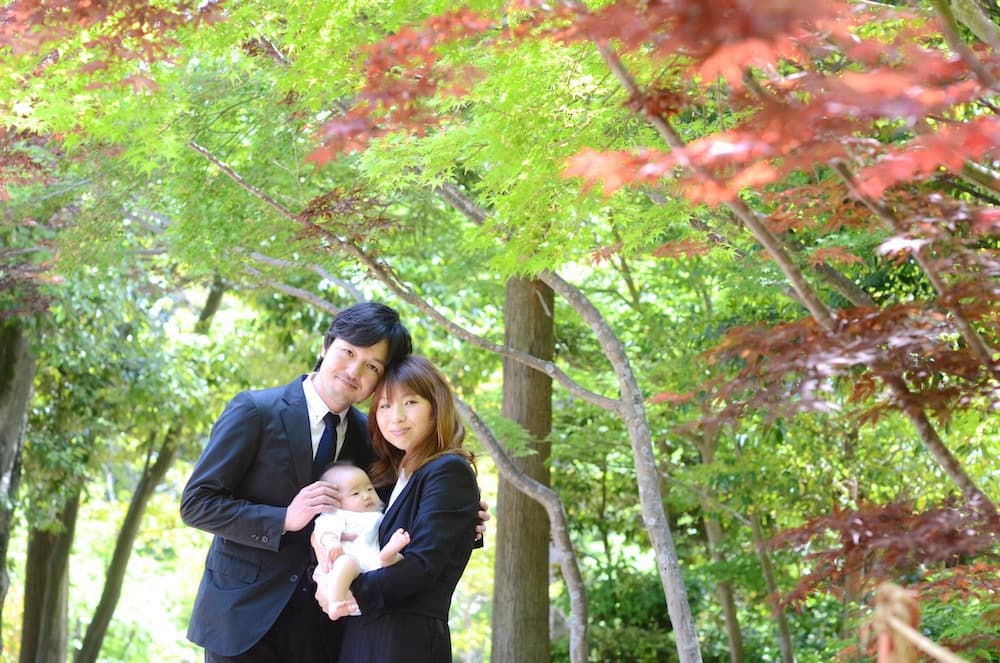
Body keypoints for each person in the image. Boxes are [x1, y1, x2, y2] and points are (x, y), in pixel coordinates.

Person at [180, 301, 486, 662]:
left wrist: (465, 521)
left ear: (379, 381)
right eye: (348, 352)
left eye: (371, 366)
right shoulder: (255, 412)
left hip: (326, 627)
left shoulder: (374, 438)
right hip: (243, 617)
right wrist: (283, 519)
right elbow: (197, 503)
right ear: (326, 346)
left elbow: (399, 514)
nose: (354, 370)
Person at [330, 355, 480, 663]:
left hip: (404, 642)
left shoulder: (448, 469)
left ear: (435, 407)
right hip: (368, 635)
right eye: (384, 406)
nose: (395, 417)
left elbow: (422, 566)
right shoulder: (396, 476)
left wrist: (350, 592)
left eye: (410, 403)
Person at [311, 462, 410, 618]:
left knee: (400, 561)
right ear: (336, 502)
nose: (366, 495)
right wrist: (333, 543)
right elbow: (324, 530)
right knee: (347, 563)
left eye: (370, 489)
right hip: (344, 568)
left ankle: (388, 555)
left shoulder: (378, 515)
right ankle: (335, 603)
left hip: (371, 566)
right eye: (355, 493)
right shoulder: (339, 515)